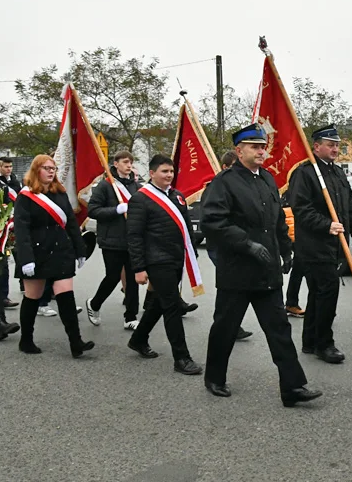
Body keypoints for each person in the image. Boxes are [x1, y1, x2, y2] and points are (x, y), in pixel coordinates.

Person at [201, 124, 322, 406]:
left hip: (267, 271)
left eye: (262, 146)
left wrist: (287, 249)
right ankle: (214, 377)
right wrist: (246, 243)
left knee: (279, 329)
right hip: (238, 272)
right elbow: (213, 222)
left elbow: (277, 219)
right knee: (225, 328)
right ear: (239, 150)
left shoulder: (267, 179)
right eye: (254, 147)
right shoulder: (225, 182)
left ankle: (292, 387)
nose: (260, 151)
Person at [289, 124, 352, 364]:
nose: (335, 149)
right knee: (328, 294)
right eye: (330, 145)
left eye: (336, 145)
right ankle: (325, 344)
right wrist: (326, 225)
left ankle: (310, 341)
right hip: (314, 246)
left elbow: (348, 208)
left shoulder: (338, 173)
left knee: (318, 295)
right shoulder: (306, 172)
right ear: (316, 146)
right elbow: (301, 208)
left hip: (335, 246)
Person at [126, 154, 202, 376]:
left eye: (171, 172)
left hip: (176, 258)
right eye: (164, 172)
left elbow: (187, 229)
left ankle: (138, 338)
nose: (169, 175)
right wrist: (138, 268)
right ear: (152, 173)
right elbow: (134, 236)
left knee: (160, 302)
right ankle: (182, 358)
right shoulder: (140, 199)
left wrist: (192, 254)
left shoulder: (178, 196)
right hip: (157, 260)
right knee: (172, 307)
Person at [13, 155, 93, 357]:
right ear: (36, 170)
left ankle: (76, 343)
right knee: (33, 297)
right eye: (47, 168)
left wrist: (80, 249)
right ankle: (26, 339)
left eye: (54, 168)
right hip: (37, 251)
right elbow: (22, 230)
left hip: (60, 250)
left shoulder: (60, 192)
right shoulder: (25, 196)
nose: (51, 172)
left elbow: (71, 224)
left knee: (66, 295)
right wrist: (26, 258)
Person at [85, 150, 142, 330]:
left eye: (130, 162)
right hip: (111, 239)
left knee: (133, 278)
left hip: (132, 239)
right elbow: (93, 210)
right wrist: (116, 210)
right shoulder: (106, 186)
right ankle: (94, 304)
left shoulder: (136, 186)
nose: (129, 165)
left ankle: (131, 317)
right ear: (115, 164)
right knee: (113, 276)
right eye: (125, 162)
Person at [203, 150, 253, 341]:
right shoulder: (218, 185)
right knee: (229, 286)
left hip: (237, 242)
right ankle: (226, 325)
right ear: (225, 168)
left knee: (231, 286)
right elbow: (213, 219)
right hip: (221, 245)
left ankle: (229, 324)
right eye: (234, 166)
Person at [0, 156, 21, 309]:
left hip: (10, 227)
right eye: (5, 166)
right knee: (2, 264)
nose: (8, 169)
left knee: (13, 258)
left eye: (10, 166)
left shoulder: (11, 182)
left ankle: (4, 296)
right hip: (2, 228)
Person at [281, 194, 305, 318]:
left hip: (294, 227)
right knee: (298, 268)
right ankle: (290, 303)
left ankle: (291, 302)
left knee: (299, 268)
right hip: (289, 227)